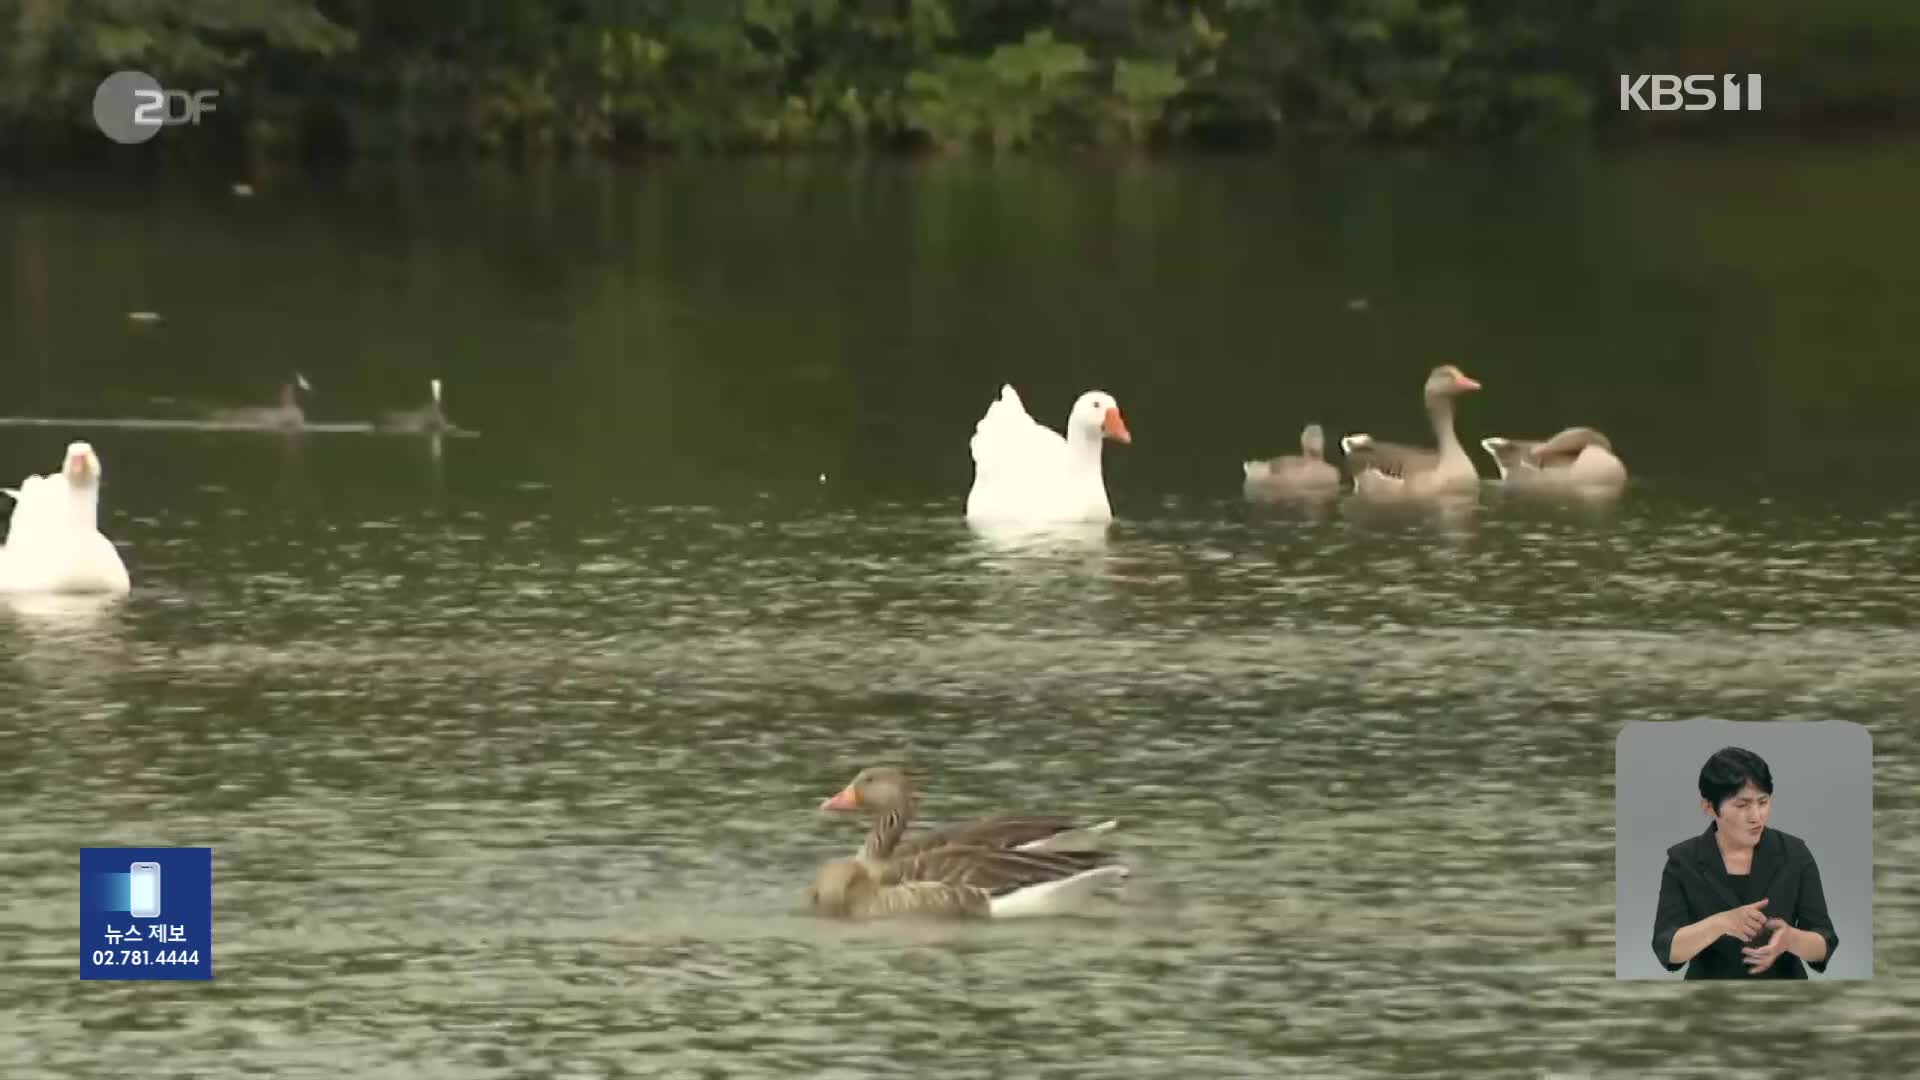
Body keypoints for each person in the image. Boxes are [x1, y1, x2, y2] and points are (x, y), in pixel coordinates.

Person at [1650, 746, 1840, 979]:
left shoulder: (1795, 853)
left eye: (1763, 802)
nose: (1756, 816)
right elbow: (1666, 949)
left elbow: (1824, 943)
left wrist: (1790, 939)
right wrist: (1721, 922)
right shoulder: (1683, 860)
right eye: (1742, 805)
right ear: (1709, 807)